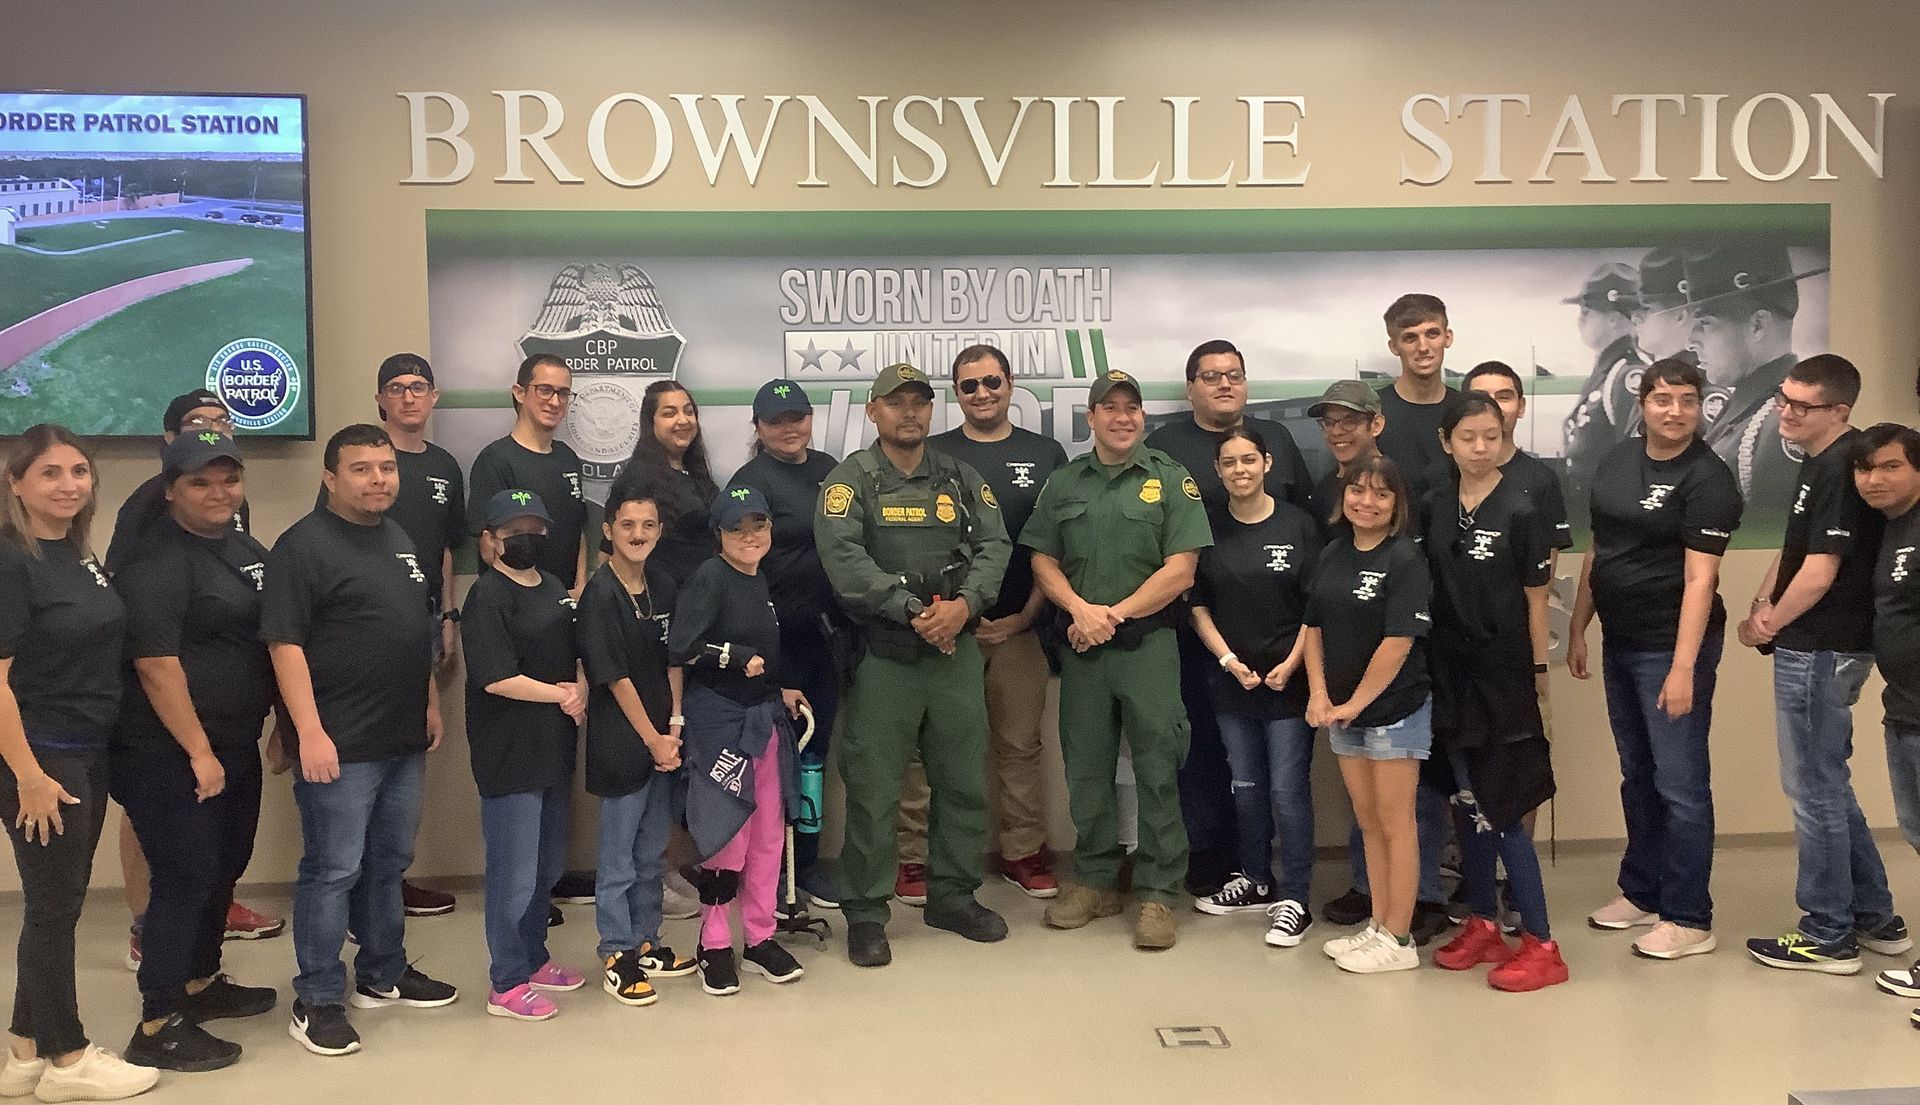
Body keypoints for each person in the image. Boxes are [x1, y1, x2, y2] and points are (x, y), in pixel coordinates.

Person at [263, 425, 457, 1058]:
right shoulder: (302, 547)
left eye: (386, 467)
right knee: (333, 870)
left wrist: (429, 702)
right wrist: (308, 732)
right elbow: (284, 645)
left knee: (388, 862)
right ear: (330, 477)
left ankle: (382, 971)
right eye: (361, 468)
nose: (378, 479)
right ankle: (318, 999)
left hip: (401, 735)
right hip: (338, 742)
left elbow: (416, 630)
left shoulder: (398, 537)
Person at [814, 363, 1011, 968]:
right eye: (895, 402)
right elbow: (843, 558)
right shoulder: (851, 481)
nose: (909, 413)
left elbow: (994, 544)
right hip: (885, 655)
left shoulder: (959, 476)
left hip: (954, 653)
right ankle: (866, 913)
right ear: (872, 411)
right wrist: (910, 609)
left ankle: (953, 896)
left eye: (919, 402)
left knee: (961, 780)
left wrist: (966, 605)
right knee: (874, 788)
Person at [111, 432, 279, 1071]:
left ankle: (200, 981)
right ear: (170, 489)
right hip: (169, 751)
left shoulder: (243, 548)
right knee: (183, 876)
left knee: (223, 864)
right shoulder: (155, 560)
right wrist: (199, 752)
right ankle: (158, 1020)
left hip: (234, 740)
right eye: (200, 482)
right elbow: (156, 666)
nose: (218, 493)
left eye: (228, 480)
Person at [1026, 370, 1211, 951]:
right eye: (1109, 408)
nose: (1122, 417)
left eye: (1131, 407)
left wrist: (1112, 617)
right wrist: (1080, 609)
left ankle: (1158, 889)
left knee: (1158, 766)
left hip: (1147, 647)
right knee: (1086, 769)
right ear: (1091, 417)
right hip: (1083, 650)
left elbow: (1181, 570)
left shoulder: (1170, 479)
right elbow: (1042, 559)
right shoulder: (1064, 482)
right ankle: (1096, 880)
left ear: (1142, 417)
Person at [0, 425, 157, 1102]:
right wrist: (29, 776)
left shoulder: (76, 553)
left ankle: (24, 1051)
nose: (69, 485)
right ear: (16, 484)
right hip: (44, 758)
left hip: (85, 749)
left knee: (55, 904)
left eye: (78, 472)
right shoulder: (12, 562)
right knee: (54, 908)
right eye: (50, 473)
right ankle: (67, 1059)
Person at [1736, 355, 1905, 974]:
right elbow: (1794, 551)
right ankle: (1874, 916)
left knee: (1813, 791)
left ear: (1839, 411)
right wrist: (1762, 605)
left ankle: (1827, 932)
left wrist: (1770, 623)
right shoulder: (1820, 460)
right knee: (1827, 784)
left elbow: (1820, 572)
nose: (1785, 411)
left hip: (1823, 648)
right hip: (1815, 644)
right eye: (1782, 398)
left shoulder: (1841, 466)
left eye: (1801, 404)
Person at [1568, 357, 1742, 960]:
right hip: (1621, 641)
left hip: (1672, 648)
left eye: (1688, 400)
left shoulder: (1710, 479)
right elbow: (1599, 548)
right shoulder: (1618, 460)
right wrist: (1579, 625)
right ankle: (1642, 890)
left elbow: (1700, 580)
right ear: (1642, 404)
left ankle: (1690, 917)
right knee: (1637, 774)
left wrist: (1682, 667)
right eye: (1663, 399)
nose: (1675, 411)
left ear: (1701, 406)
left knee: (1680, 784)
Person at [1145, 339, 1313, 897]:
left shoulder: (1278, 438)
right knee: (1201, 750)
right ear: (1190, 386)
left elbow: (1305, 525)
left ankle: (1266, 869)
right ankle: (1212, 854)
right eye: (1211, 376)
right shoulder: (1166, 445)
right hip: (1195, 628)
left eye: (1234, 375)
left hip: (1278, 636)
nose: (1224, 384)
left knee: (1279, 775)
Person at [903, 345, 1069, 900]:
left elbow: (1055, 548)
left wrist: (1024, 617)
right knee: (929, 748)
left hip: (1020, 627)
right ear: (956, 393)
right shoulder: (933, 454)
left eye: (992, 382)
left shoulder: (1045, 454)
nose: (982, 393)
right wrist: (944, 616)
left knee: (1019, 747)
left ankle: (1023, 852)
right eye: (969, 385)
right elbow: (918, 542)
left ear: (1010, 383)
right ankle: (914, 858)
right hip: (948, 632)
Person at [1417, 397, 1566, 991]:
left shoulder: (1522, 506)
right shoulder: (1434, 504)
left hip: (1503, 679)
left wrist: (1538, 671)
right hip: (1449, 676)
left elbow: (1536, 599)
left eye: (1491, 435)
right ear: (1446, 441)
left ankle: (1542, 943)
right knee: (1465, 804)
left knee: (1503, 810)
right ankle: (1482, 924)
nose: (1480, 448)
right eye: (1468, 437)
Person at [310, 353, 465, 920]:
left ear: (433, 396)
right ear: (380, 399)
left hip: (418, 626)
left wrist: (446, 615)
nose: (408, 397)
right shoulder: (352, 468)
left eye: (418, 387)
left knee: (405, 774)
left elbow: (445, 548)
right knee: (354, 786)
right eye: (396, 388)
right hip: (355, 638)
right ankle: (353, 897)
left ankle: (387, 888)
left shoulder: (444, 467)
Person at [670, 486, 810, 994]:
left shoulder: (758, 578)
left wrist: (779, 687)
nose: (750, 537)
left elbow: (762, 652)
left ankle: (759, 937)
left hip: (764, 718)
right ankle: (713, 944)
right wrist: (733, 656)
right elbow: (681, 646)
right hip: (719, 723)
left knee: (768, 834)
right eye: (737, 529)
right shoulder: (710, 577)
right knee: (727, 836)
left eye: (759, 526)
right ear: (719, 534)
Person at [1187, 427, 1323, 947]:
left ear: (1267, 463)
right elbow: (1198, 605)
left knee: (1287, 790)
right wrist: (1227, 660)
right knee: (1245, 787)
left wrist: (1292, 664)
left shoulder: (1299, 526)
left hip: (1288, 683)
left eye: (1249, 460)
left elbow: (1315, 609)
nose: (1240, 470)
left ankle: (1296, 896)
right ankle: (1256, 879)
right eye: (1229, 462)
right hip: (1232, 683)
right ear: (1217, 471)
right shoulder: (1207, 528)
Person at [462, 490, 589, 1021]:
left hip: (554, 747)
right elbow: (496, 678)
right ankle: (506, 981)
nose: (526, 538)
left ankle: (534, 958)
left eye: (535, 528)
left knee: (545, 867)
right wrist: (560, 694)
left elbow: (575, 654)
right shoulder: (486, 596)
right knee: (512, 873)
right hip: (509, 751)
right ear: (491, 540)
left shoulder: (556, 588)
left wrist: (579, 687)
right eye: (514, 531)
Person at [1304, 454, 1432, 975]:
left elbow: (1398, 642)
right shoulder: (1333, 553)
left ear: (1397, 504)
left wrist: (1356, 704)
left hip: (1394, 711)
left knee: (1396, 823)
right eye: (1358, 490)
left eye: (1381, 493)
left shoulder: (1405, 559)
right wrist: (1318, 694)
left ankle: (1400, 938)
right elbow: (1313, 629)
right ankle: (1378, 925)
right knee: (1369, 822)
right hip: (1341, 714)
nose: (1367, 501)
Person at [577, 482, 697, 1007]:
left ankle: (648, 942)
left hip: (664, 741)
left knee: (651, 853)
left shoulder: (663, 585)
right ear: (608, 530)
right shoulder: (600, 596)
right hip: (623, 742)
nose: (638, 533)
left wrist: (674, 726)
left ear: (660, 531)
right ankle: (616, 951)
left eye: (648, 525)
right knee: (619, 858)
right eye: (627, 524)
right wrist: (652, 739)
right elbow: (615, 677)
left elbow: (674, 662)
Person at [729, 378, 844, 908]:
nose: (789, 428)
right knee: (776, 763)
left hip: (828, 637)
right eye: (776, 421)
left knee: (814, 755)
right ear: (758, 427)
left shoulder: (830, 471)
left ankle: (809, 863)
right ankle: (772, 873)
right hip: (775, 644)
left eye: (796, 417)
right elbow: (738, 564)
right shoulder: (750, 482)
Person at [1852, 424, 1920, 1020]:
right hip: (1903, 710)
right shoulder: (1890, 527)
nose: (1875, 479)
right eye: (1866, 468)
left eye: (1891, 466)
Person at [1688, 244, 1821, 504]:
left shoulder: (1783, 422)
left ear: (1758, 325)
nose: (1690, 341)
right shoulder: (1744, 407)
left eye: (1705, 323)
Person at [466, 354, 588, 592]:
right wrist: (534, 596)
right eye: (545, 390)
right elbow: (488, 548)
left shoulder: (568, 458)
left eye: (563, 393)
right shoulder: (495, 460)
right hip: (516, 601)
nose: (555, 401)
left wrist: (580, 584)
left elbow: (578, 530)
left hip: (566, 599)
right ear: (519, 393)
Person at [616, 380, 719, 587]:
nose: (683, 420)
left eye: (688, 412)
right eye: (670, 414)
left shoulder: (696, 470)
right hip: (666, 596)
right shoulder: (638, 478)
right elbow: (613, 550)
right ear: (651, 422)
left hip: (704, 591)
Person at [1559, 263, 1646, 500]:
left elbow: (1638, 464)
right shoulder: (1607, 372)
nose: (1580, 320)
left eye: (1587, 311)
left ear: (1614, 319)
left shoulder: (1626, 376)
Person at [1374, 294, 1466, 485]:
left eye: (1432, 334)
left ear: (1448, 337)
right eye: (1410, 338)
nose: (1423, 347)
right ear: (1394, 346)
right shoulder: (1372, 411)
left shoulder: (1466, 409)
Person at [1306, 380, 1385, 526]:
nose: (1336, 431)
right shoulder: (1323, 490)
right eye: (1329, 422)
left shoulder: (1398, 484)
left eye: (1349, 421)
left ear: (1376, 425)